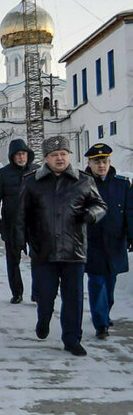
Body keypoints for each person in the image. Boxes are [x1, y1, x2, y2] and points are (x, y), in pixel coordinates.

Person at [14, 136, 106, 356]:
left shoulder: (83, 180)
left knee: (73, 298)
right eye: (54, 155)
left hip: (73, 250)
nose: (59, 158)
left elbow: (100, 205)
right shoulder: (31, 181)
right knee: (45, 295)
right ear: (46, 158)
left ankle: (72, 339)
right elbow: (20, 215)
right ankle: (43, 319)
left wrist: (91, 214)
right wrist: (20, 242)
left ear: (69, 156)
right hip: (43, 250)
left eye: (63, 154)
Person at [83, 143, 133, 339]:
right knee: (96, 282)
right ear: (89, 163)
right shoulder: (83, 183)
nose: (101, 165)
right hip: (92, 242)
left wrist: (131, 236)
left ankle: (104, 311)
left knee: (110, 282)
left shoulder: (121, 184)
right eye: (97, 162)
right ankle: (101, 323)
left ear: (109, 162)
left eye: (104, 161)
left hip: (115, 242)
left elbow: (129, 212)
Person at [0, 139, 40, 304]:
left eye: (24, 154)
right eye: (18, 154)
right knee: (13, 261)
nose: (21, 157)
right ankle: (17, 292)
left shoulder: (37, 171)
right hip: (11, 223)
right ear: (12, 156)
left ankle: (37, 292)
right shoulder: (2, 174)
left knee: (38, 259)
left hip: (34, 223)